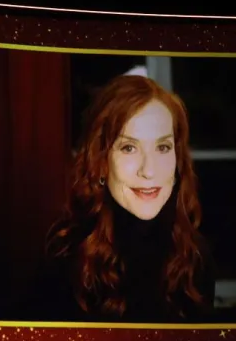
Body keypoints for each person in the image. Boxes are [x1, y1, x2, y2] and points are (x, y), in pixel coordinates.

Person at [42, 74, 214, 322]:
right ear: (100, 162)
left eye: (163, 147)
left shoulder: (195, 256)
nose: (149, 170)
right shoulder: (65, 256)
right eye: (129, 148)